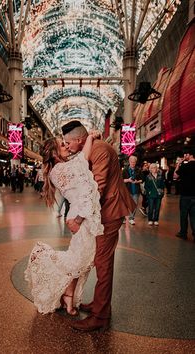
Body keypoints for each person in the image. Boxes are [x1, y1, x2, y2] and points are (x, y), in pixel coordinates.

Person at [61, 120, 136, 332]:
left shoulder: (99, 150)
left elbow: (98, 187)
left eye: (68, 142)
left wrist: (79, 218)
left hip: (110, 212)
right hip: (105, 211)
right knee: (101, 260)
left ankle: (100, 316)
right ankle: (100, 304)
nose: (67, 146)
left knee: (103, 263)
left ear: (78, 139)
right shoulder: (93, 147)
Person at [25, 132, 104, 316]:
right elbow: (84, 186)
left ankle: (68, 295)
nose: (67, 147)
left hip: (81, 217)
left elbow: (81, 165)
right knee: (78, 260)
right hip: (80, 219)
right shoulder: (59, 170)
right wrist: (90, 138)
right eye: (62, 145)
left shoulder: (61, 168)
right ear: (54, 153)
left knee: (82, 260)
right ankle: (42, 256)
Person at [174, 150, 195, 242]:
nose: (184, 156)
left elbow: (175, 176)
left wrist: (179, 163)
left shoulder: (185, 166)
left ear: (189, 155)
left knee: (184, 215)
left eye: (185, 154)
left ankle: (183, 233)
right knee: (194, 216)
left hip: (185, 195)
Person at [122, 155, 143, 225]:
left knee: (134, 205)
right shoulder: (125, 170)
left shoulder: (138, 170)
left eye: (134, 162)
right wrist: (128, 180)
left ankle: (131, 218)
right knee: (125, 204)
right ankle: (124, 218)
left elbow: (142, 180)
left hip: (136, 191)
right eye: (131, 162)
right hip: (127, 190)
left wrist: (137, 181)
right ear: (129, 162)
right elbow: (121, 180)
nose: (133, 163)